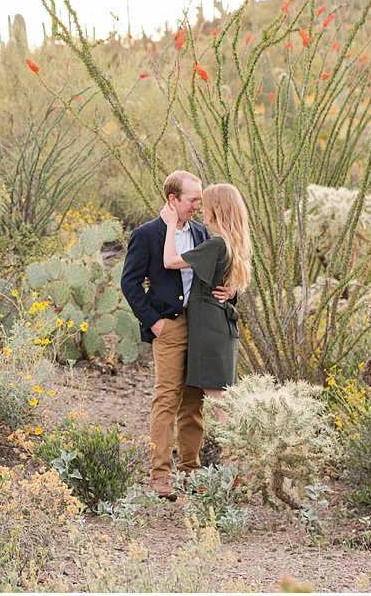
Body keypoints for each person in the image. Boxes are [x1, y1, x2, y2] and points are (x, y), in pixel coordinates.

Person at [120, 170, 234, 500]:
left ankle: (190, 471)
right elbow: (130, 283)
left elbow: (219, 274)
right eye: (192, 200)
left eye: (200, 200)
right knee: (166, 398)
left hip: (202, 326)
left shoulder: (202, 233)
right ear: (173, 200)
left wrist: (231, 294)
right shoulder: (147, 234)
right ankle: (160, 476)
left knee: (193, 401)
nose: (198, 206)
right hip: (168, 325)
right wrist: (154, 322)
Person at [164, 182, 252, 419]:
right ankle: (237, 454)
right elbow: (229, 286)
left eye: (206, 206)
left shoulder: (216, 245)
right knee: (225, 401)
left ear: (218, 210)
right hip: (221, 325)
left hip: (209, 327)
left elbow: (169, 261)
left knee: (219, 403)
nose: (201, 210)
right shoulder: (232, 245)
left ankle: (235, 456)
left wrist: (171, 224)